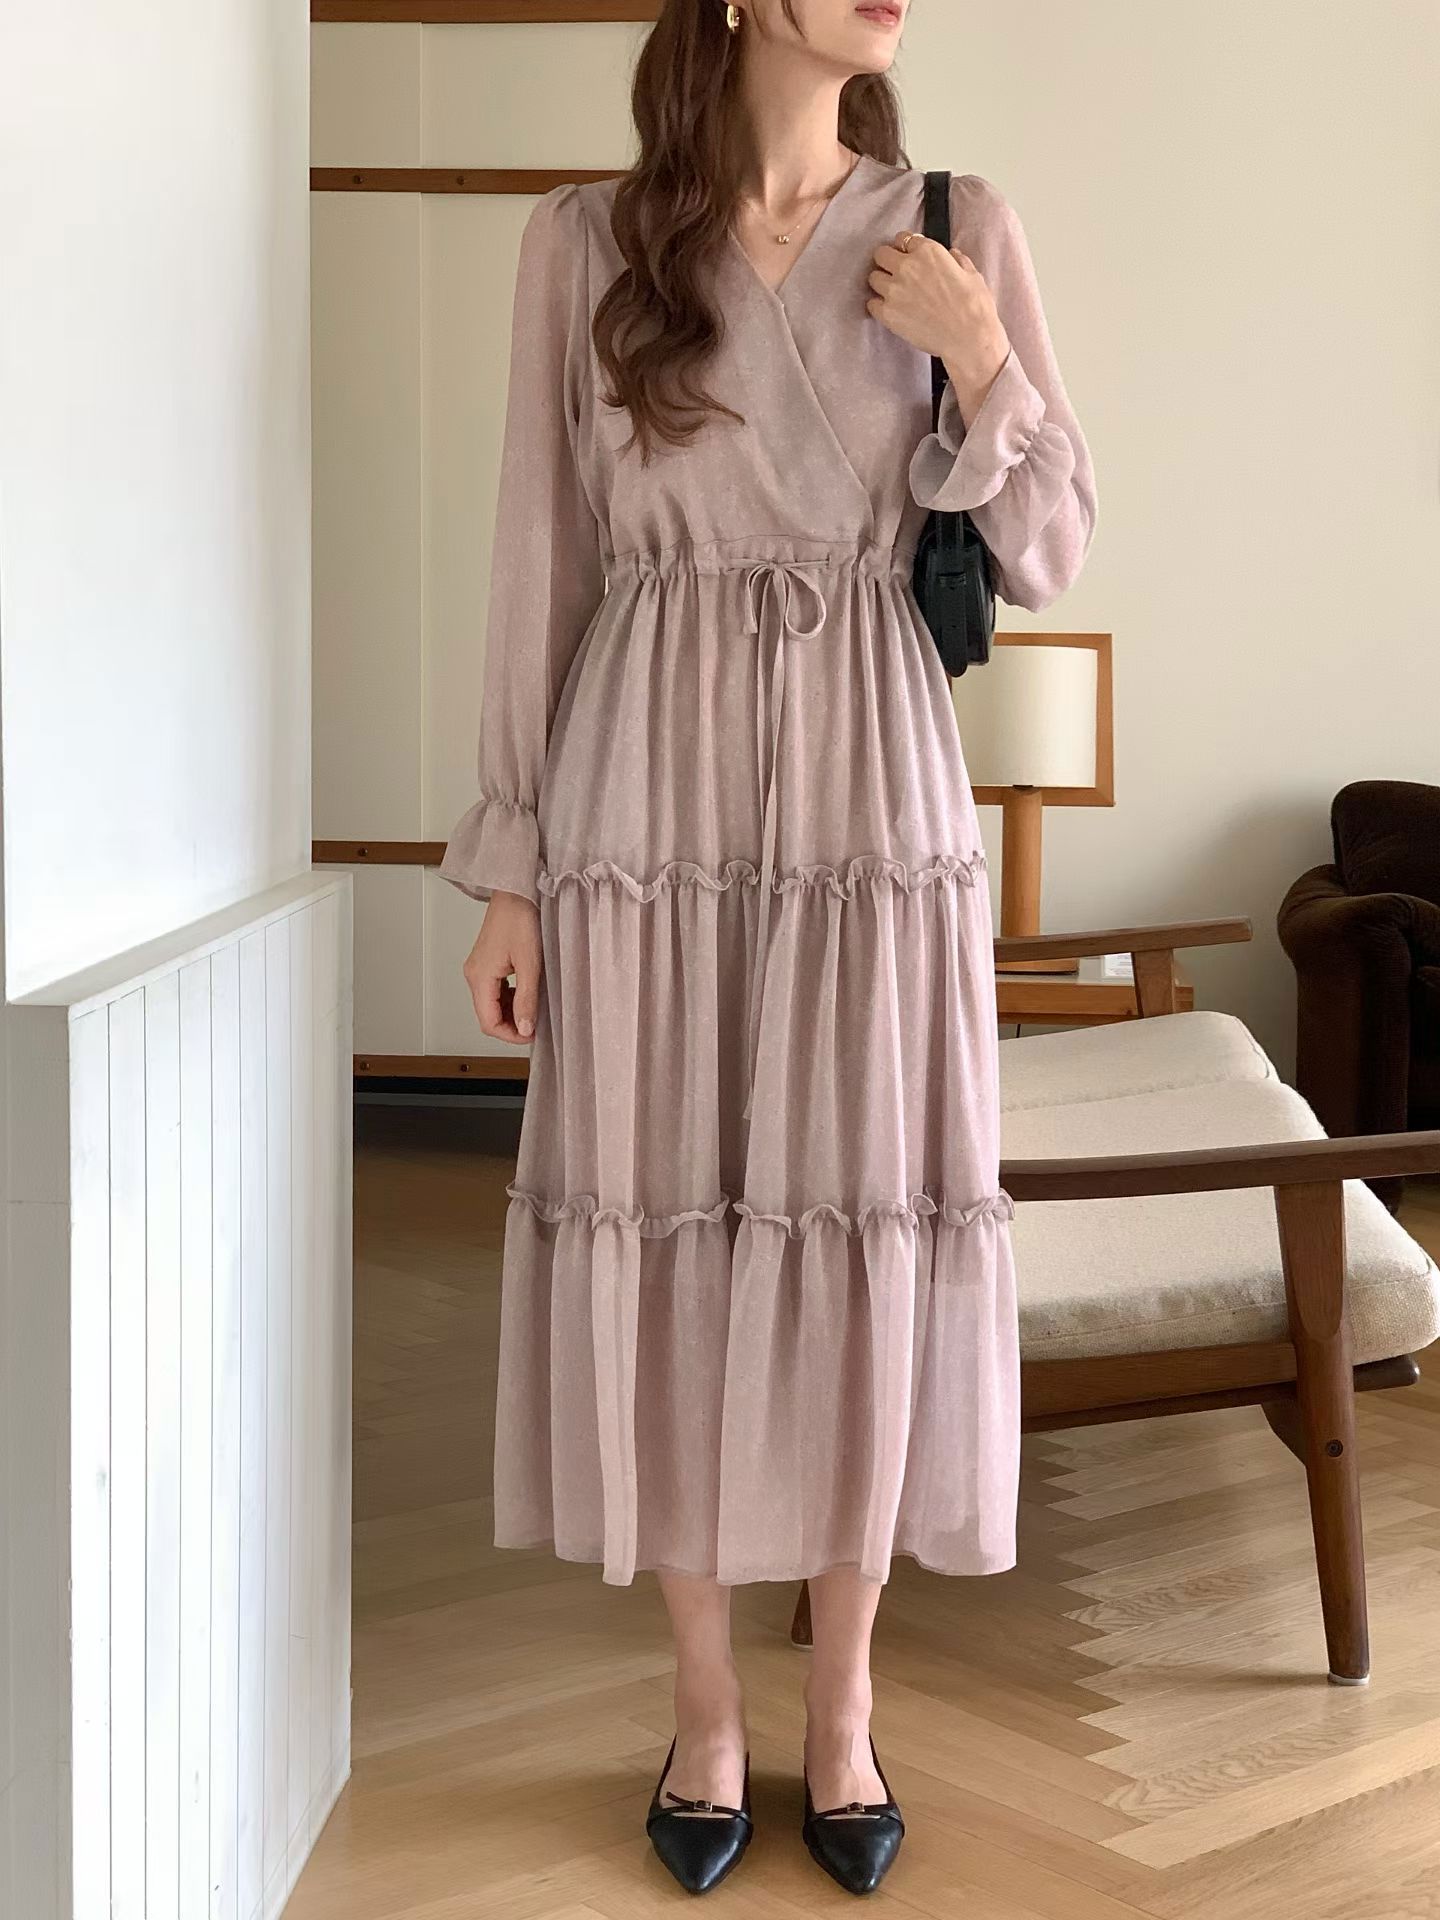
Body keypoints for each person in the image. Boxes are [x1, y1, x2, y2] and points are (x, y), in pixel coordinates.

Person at [438, 0, 1096, 1895]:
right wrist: (513, 867)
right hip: (643, 784)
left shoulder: (960, 223)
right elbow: (539, 557)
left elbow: (1053, 546)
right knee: (662, 1210)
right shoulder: (584, 242)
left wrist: (983, 358)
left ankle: (850, 1705)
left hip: (871, 788)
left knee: (863, 1208)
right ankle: (708, 1708)